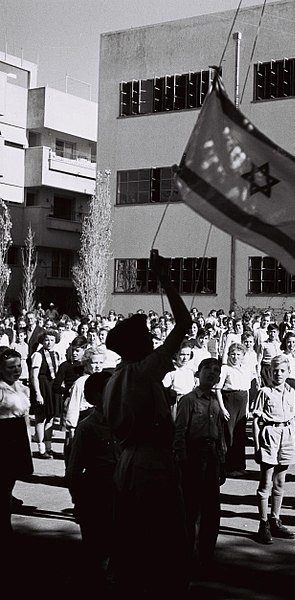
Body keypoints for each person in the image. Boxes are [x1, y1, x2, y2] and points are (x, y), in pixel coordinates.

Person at [103, 251, 192, 596]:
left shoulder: (116, 377)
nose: (156, 343)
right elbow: (184, 324)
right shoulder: (141, 372)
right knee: (163, 540)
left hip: (128, 461)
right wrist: (165, 278)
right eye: (150, 340)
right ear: (141, 346)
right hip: (151, 463)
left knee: (133, 536)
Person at [65, 371, 119, 583]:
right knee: (96, 548)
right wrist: (78, 499)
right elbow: (74, 469)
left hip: (120, 489)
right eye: (109, 390)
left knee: (119, 544)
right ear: (96, 396)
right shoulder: (87, 427)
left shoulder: (123, 421)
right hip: (96, 491)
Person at [174, 357, 226, 574]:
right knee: (191, 509)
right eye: (208, 370)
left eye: (216, 371)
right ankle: (186, 556)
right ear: (199, 372)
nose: (212, 374)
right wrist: (181, 460)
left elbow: (219, 433)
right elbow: (179, 432)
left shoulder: (215, 401)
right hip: (193, 457)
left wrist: (222, 461)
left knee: (211, 510)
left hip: (211, 457)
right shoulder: (189, 400)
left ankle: (207, 555)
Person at [252, 355, 295, 544]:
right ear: (269, 372)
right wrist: (257, 445)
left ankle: (275, 519)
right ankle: (263, 524)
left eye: (282, 371)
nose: (278, 374)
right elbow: (256, 420)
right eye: (275, 370)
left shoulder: (291, 391)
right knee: (266, 483)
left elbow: (293, 419)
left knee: (280, 482)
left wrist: (293, 441)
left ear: (288, 372)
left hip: (286, 435)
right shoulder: (264, 392)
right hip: (269, 435)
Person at [0, 349, 33, 542]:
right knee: (3, 486)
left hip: (17, 436)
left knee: (9, 484)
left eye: (19, 366)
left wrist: (28, 440)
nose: (16, 370)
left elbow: (26, 417)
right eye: (11, 367)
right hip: (3, 436)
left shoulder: (22, 387)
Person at [215, 343, 251, 477]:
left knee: (240, 435)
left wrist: (247, 409)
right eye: (233, 355)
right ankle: (228, 467)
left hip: (242, 401)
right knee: (229, 435)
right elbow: (218, 389)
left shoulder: (246, 369)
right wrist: (222, 408)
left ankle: (240, 465)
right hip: (229, 401)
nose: (235, 357)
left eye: (238, 355)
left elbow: (247, 389)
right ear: (229, 355)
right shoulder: (225, 369)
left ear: (243, 356)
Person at [29, 330, 61, 459]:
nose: (49, 343)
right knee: (40, 418)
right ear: (42, 340)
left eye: (52, 340)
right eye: (47, 340)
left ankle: (49, 447)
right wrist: (38, 393)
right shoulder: (38, 355)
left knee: (50, 418)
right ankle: (41, 448)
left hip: (52, 388)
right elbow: (34, 376)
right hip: (42, 387)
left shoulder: (56, 354)